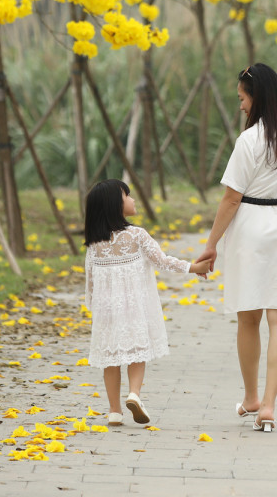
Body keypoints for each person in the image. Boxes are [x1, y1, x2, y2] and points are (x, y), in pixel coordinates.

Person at [201, 62, 277, 433]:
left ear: (257, 97)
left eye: (242, 98)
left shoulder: (249, 140)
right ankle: (268, 405)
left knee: (248, 317)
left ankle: (251, 396)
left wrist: (210, 245)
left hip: (251, 227)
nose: (240, 106)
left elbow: (231, 198)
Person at [83, 179, 211, 426]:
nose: (132, 200)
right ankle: (134, 394)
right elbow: (162, 261)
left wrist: (94, 308)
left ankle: (114, 411)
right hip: (134, 307)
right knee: (136, 352)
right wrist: (193, 267)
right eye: (127, 196)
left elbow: (90, 282)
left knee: (111, 359)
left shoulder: (94, 244)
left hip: (106, 311)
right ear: (114, 205)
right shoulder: (137, 235)